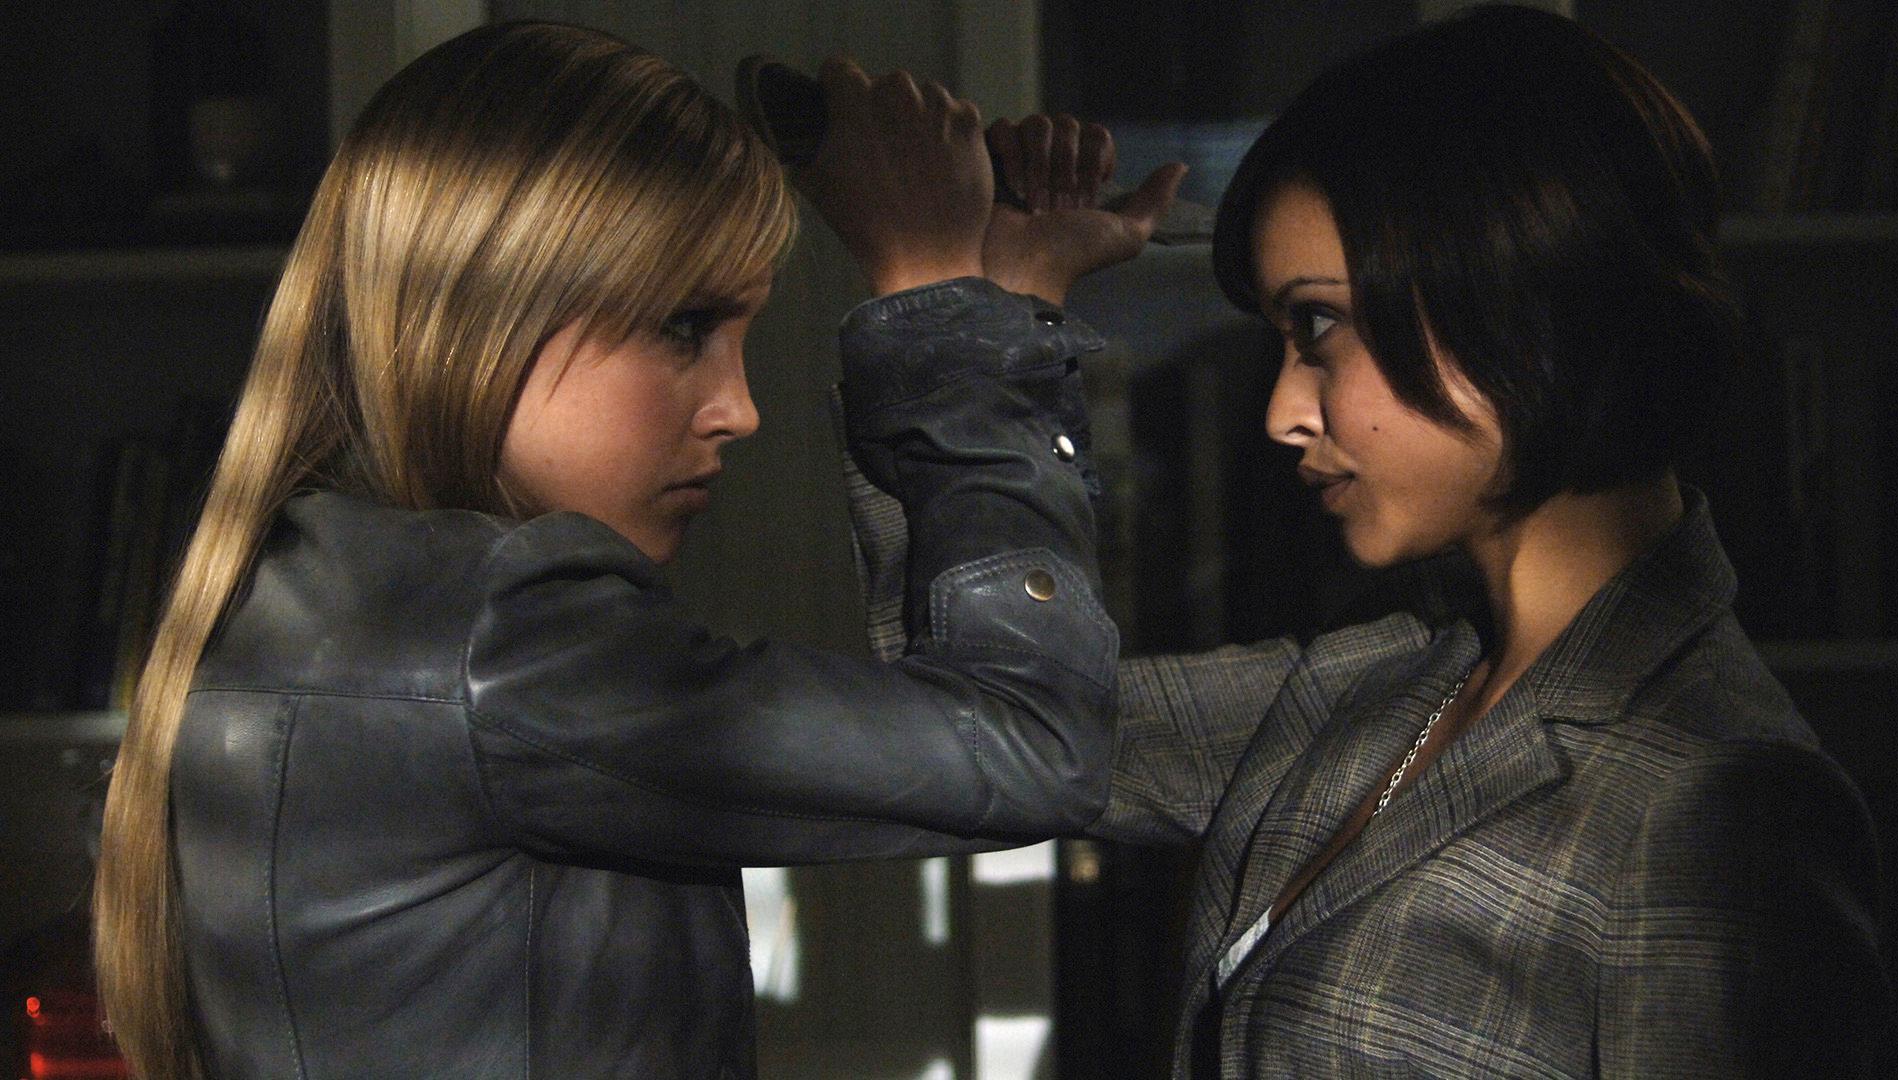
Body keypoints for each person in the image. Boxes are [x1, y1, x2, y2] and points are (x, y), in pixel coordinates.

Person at [91, 21, 1182, 1079]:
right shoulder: (502, 633)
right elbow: (1038, 746)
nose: (739, 409)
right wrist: (942, 304)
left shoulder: (318, 590)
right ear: (483, 308)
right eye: (683, 327)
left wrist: (1003, 302)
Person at [853, 5, 1894, 1076]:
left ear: (1522, 294)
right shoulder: (1379, 683)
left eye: (1319, 326)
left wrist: (937, 300)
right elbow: (985, 731)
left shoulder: (1723, 804)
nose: (1281, 413)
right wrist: (996, 309)